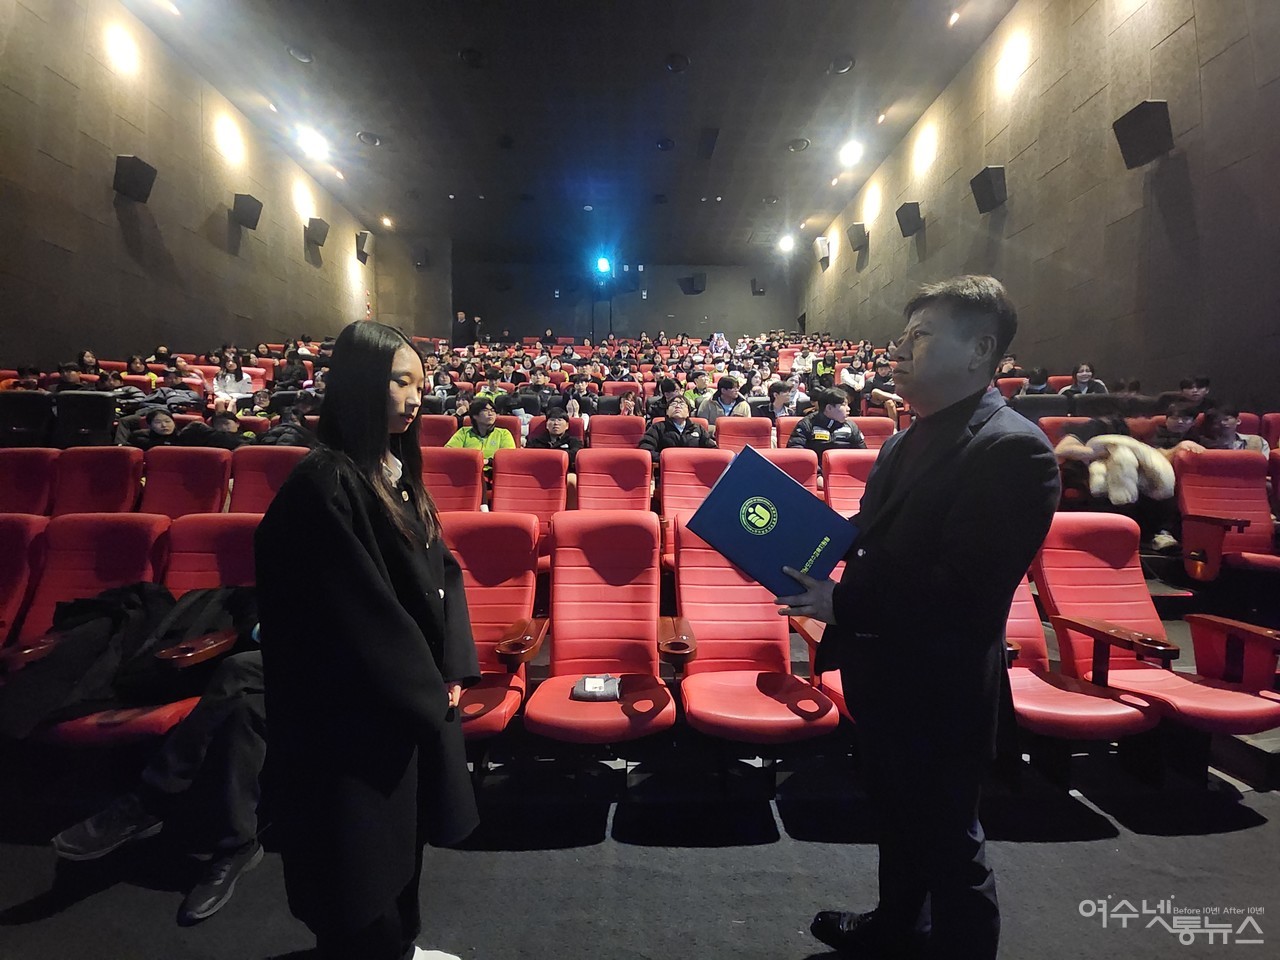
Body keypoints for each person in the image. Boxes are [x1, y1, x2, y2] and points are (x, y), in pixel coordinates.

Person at [777, 276, 1059, 960]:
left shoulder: (1011, 450)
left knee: (948, 840)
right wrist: (791, 539)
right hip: (884, 669)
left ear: (980, 350)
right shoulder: (909, 440)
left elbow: (963, 591)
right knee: (899, 818)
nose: (897, 350)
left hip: (942, 683)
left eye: (920, 336)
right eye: (901, 336)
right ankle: (897, 926)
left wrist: (840, 602)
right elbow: (879, 534)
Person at [256, 321, 479, 960]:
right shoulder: (322, 483)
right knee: (357, 867)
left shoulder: (393, 470)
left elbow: (445, 573)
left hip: (400, 704)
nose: (416, 398)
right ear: (359, 383)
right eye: (400, 381)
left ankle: (401, 950)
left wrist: (454, 666)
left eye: (421, 383)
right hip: (353, 717)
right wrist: (426, 688)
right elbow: (352, 614)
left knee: (399, 848)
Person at [787, 388, 867, 462]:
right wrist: (817, 473)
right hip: (816, 473)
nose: (848, 409)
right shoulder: (807, 424)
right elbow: (796, 452)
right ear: (829, 408)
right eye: (843, 405)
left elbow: (862, 454)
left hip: (844, 473)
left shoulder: (851, 426)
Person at [444, 396, 516, 472]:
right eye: (485, 410)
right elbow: (449, 452)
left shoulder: (504, 433)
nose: (490, 413)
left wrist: (488, 461)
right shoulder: (464, 432)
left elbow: (508, 457)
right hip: (467, 472)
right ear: (475, 415)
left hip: (493, 475)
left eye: (492, 410)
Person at [637, 395, 715, 461]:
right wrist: (666, 458)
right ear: (667, 411)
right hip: (667, 469)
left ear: (688, 412)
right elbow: (645, 449)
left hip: (694, 469)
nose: (678, 406)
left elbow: (712, 450)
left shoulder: (698, 428)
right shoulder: (657, 427)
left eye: (682, 404)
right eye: (674, 404)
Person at [527, 407, 581, 471]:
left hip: (564, 471)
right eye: (552, 420)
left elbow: (575, 457)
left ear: (567, 426)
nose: (556, 423)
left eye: (559, 420)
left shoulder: (574, 442)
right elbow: (528, 457)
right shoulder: (535, 441)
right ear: (547, 425)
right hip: (539, 471)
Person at [864, 356, 903, 425]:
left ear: (889, 369)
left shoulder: (895, 379)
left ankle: (894, 427)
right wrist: (870, 398)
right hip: (878, 402)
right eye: (881, 369)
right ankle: (893, 397)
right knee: (875, 391)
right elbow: (864, 394)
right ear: (877, 370)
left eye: (885, 369)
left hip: (893, 402)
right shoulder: (871, 380)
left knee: (889, 403)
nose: (883, 371)